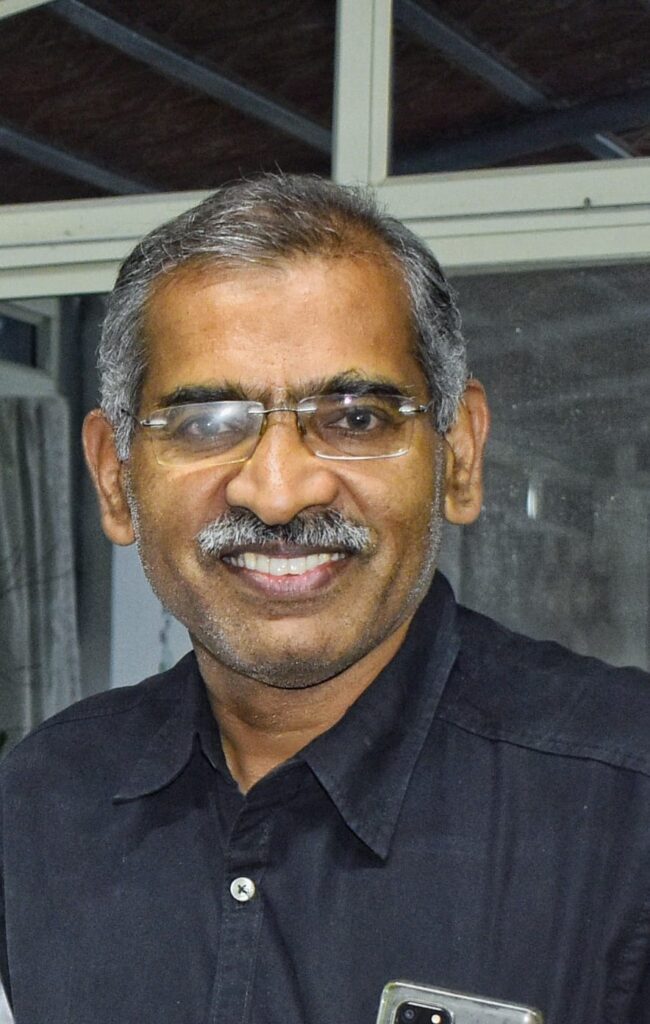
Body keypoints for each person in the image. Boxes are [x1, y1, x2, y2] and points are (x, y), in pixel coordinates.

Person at [0, 174, 648, 1024]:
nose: (278, 493)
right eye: (206, 424)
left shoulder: (626, 811)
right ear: (116, 480)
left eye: (356, 419)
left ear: (458, 455)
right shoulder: (37, 806)